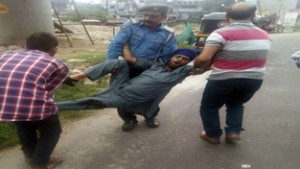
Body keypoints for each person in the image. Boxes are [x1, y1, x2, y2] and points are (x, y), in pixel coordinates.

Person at [57, 46, 199, 132]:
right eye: (178, 56)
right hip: (121, 88)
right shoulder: (155, 65)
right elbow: (130, 59)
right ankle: (73, 78)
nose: (180, 60)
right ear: (171, 57)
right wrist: (126, 39)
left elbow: (203, 65)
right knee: (119, 63)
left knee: (150, 109)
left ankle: (150, 118)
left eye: (185, 59)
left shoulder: (182, 72)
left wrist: (213, 47)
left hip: (139, 97)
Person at [193, 2, 271, 144]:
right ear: (253, 15)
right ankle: (233, 133)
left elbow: (204, 59)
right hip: (254, 79)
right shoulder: (264, 34)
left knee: (209, 107)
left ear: (226, 16)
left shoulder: (220, 33)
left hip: (224, 79)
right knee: (236, 104)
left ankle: (212, 135)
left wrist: (196, 66)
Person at [0, 32, 73, 169]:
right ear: (53, 50)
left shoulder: (4, 56)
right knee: (51, 130)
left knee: (23, 125)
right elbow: (48, 89)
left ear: (26, 46)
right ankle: (40, 162)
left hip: (4, 105)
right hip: (32, 106)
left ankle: (30, 156)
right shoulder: (58, 65)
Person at [106, 3, 176, 78]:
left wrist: (169, 71)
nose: (147, 18)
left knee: (142, 89)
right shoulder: (131, 25)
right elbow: (116, 43)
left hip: (146, 69)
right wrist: (112, 63)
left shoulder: (168, 34)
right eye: (145, 15)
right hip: (124, 65)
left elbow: (167, 56)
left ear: (164, 17)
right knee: (117, 89)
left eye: (153, 16)